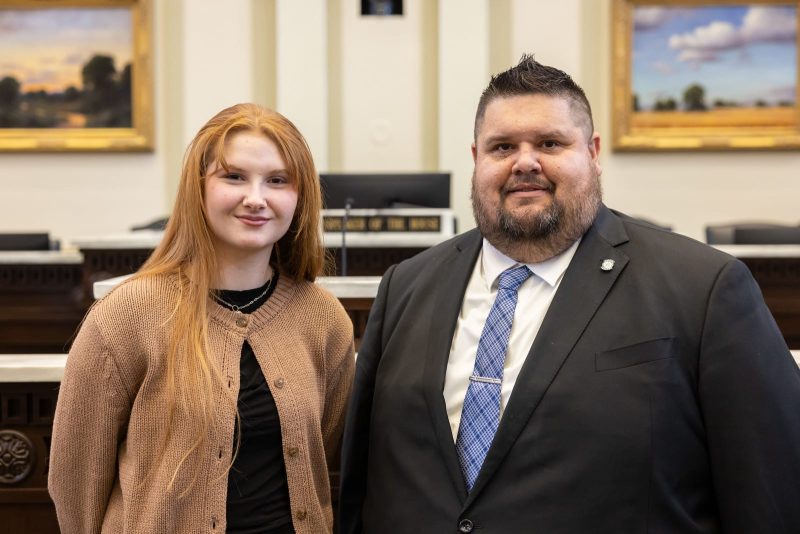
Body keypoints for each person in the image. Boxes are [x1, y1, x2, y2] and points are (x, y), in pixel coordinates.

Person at [339, 55, 800, 533]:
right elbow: (363, 482)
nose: (525, 162)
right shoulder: (407, 286)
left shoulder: (704, 289)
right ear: (477, 159)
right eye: (502, 147)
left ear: (593, 154)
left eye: (550, 143)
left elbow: (774, 494)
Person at [49, 103, 355, 533]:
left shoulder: (323, 320)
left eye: (277, 180)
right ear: (200, 187)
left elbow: (327, 457)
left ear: (299, 196)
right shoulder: (126, 316)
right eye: (234, 177)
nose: (256, 198)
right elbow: (74, 479)